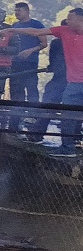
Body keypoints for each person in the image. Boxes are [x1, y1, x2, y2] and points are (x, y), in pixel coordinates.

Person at [43, 9, 83, 152]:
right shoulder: (64, 34)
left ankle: (69, 145)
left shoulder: (60, 40)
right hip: (72, 82)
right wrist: (12, 30)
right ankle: (68, 146)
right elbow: (37, 32)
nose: (67, 21)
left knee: (69, 113)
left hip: (68, 81)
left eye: (70, 18)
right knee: (69, 114)